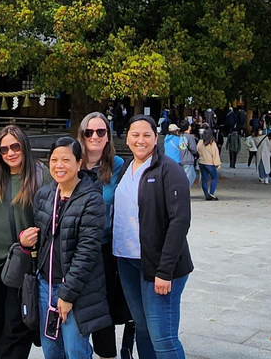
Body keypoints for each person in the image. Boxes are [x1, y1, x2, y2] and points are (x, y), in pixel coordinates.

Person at [113, 115, 192, 359]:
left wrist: (164, 270)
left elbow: (180, 221)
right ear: (127, 139)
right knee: (144, 331)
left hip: (158, 266)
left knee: (163, 337)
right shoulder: (126, 168)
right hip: (127, 261)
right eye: (135, 135)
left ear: (156, 138)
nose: (141, 140)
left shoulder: (169, 169)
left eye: (147, 135)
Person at [35, 137, 110, 359]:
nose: (59, 165)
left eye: (66, 160)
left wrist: (67, 296)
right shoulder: (45, 194)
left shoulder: (91, 199)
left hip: (77, 290)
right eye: (54, 160)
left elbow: (87, 252)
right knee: (51, 351)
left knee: (75, 350)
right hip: (45, 286)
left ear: (79, 163)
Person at [0, 125, 49, 359]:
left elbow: (53, 214)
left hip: (23, 264)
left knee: (17, 328)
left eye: (15, 146)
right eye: (3, 149)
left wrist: (34, 237)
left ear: (24, 145)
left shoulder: (41, 174)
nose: (10, 153)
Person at [78, 113, 134, 359]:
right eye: (89, 132)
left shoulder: (119, 166)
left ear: (108, 136)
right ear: (82, 135)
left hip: (105, 248)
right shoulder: (72, 162)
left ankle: (106, 354)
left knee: (103, 310)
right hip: (75, 247)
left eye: (101, 132)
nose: (95, 137)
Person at [197, 128, 221, 201]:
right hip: (210, 163)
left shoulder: (200, 142)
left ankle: (206, 194)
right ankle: (211, 193)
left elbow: (197, 150)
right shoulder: (212, 143)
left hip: (202, 162)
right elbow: (215, 154)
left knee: (204, 178)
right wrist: (217, 163)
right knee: (214, 177)